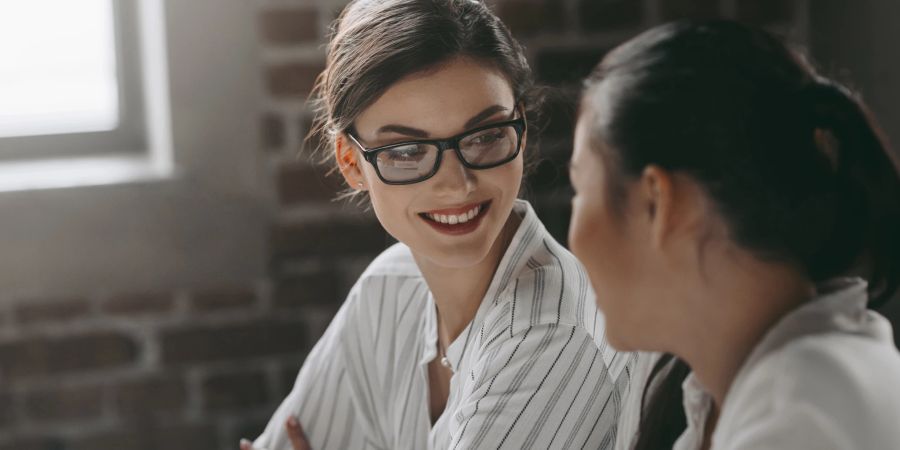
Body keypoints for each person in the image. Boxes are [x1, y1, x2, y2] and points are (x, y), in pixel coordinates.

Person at [242, 1, 635, 449]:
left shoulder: (551, 336)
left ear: (520, 128)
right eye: (407, 151)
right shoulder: (387, 289)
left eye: (485, 135)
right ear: (351, 163)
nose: (457, 184)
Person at [568, 20, 900, 450]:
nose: (571, 236)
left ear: (659, 202)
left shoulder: (799, 422)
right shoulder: (716, 393)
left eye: (580, 188)